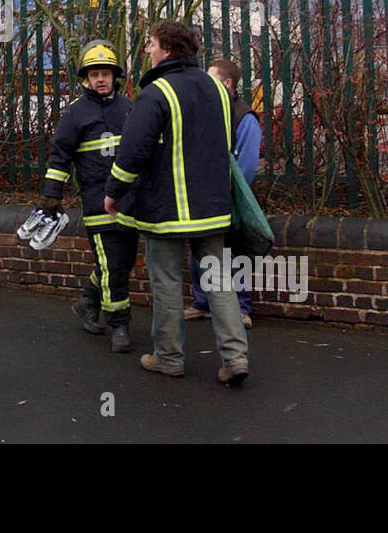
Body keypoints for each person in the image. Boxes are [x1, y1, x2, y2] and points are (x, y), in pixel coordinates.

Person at [103, 20, 250, 386]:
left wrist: (114, 191)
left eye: (150, 44)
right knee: (219, 282)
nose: (147, 51)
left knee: (166, 282)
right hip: (213, 208)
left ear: (167, 49)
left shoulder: (156, 93)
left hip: (166, 211)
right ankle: (236, 358)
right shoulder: (218, 89)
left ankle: (169, 357)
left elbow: (133, 151)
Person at [40, 40, 138, 352]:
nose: (100, 79)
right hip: (97, 203)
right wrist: (52, 194)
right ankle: (119, 324)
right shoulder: (75, 115)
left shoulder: (130, 109)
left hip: (130, 202)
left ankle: (87, 301)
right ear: (85, 78)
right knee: (111, 265)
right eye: (94, 74)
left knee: (122, 263)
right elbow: (59, 157)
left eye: (105, 73)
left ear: (115, 77)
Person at [186, 58, 261, 328]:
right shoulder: (209, 113)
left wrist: (230, 195)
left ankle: (241, 308)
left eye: (212, 80)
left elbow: (247, 167)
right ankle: (203, 303)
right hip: (206, 196)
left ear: (227, 83)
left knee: (234, 253)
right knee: (199, 252)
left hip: (230, 199)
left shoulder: (244, 117)